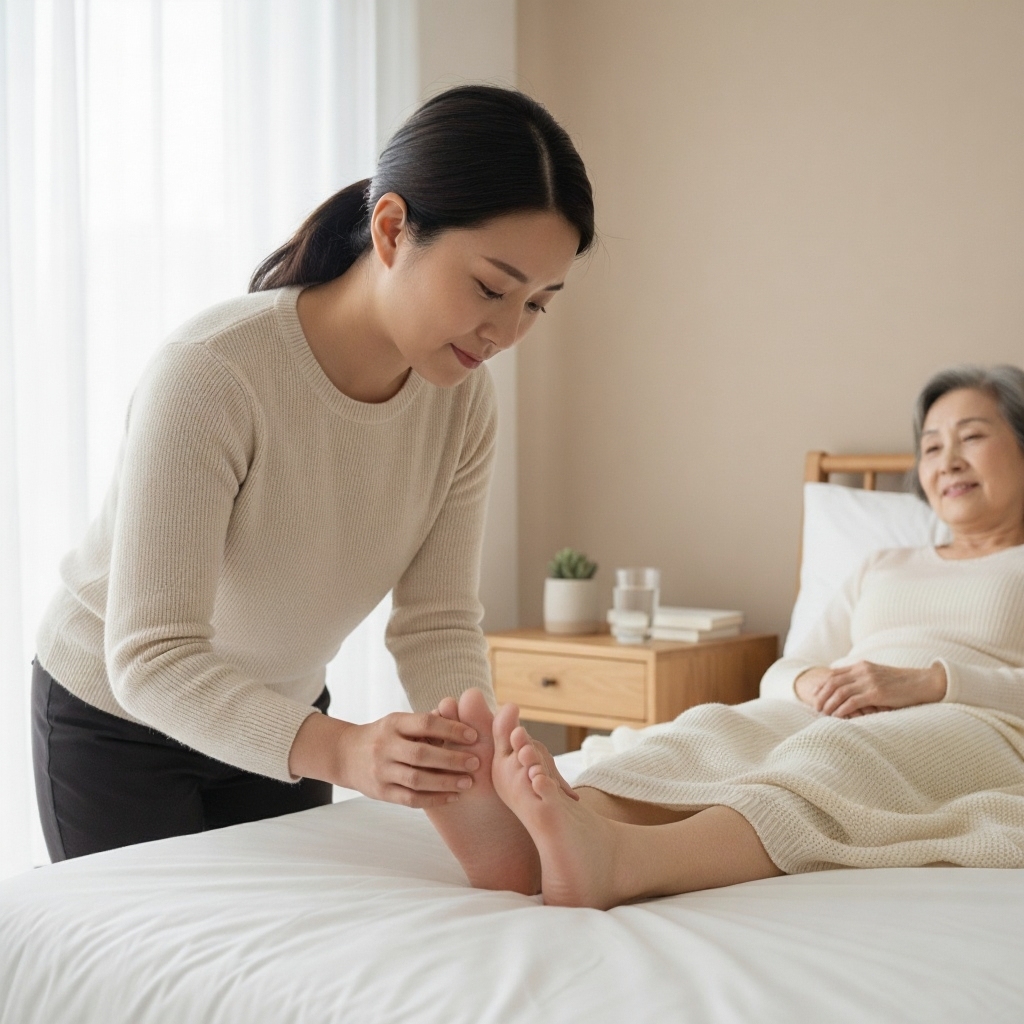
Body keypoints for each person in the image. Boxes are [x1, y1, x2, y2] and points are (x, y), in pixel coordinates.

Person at [31, 85, 595, 861]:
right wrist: (344, 751)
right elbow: (152, 657)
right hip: (120, 720)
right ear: (392, 228)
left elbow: (436, 621)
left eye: (537, 305)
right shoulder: (214, 374)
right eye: (491, 288)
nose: (504, 331)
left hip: (281, 718)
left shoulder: (462, 404)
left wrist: (479, 762)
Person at [427, 364, 1024, 908]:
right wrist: (814, 682)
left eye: (971, 437)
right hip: (845, 706)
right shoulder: (884, 563)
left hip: (977, 721)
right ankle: (535, 843)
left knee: (836, 757)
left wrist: (931, 682)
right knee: (715, 728)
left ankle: (624, 862)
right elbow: (788, 670)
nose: (946, 460)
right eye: (931, 446)